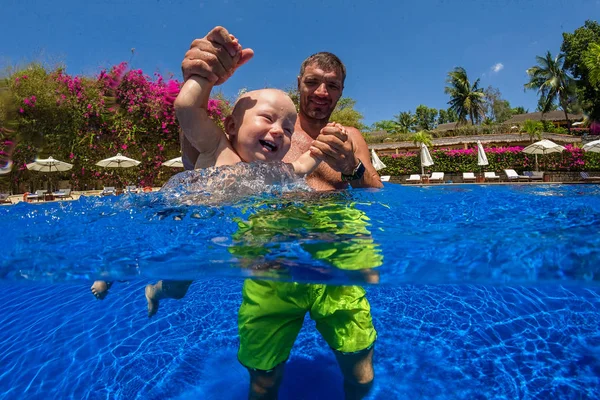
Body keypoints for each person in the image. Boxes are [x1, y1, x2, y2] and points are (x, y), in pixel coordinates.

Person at [181, 26, 383, 400]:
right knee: (264, 379)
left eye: (333, 85)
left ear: (341, 91)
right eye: (313, 82)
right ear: (300, 83)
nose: (322, 92)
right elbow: (198, 154)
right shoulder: (268, 133)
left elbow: (376, 193)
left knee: (361, 373)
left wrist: (352, 167)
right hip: (272, 255)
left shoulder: (350, 135)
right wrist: (199, 79)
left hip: (335, 256)